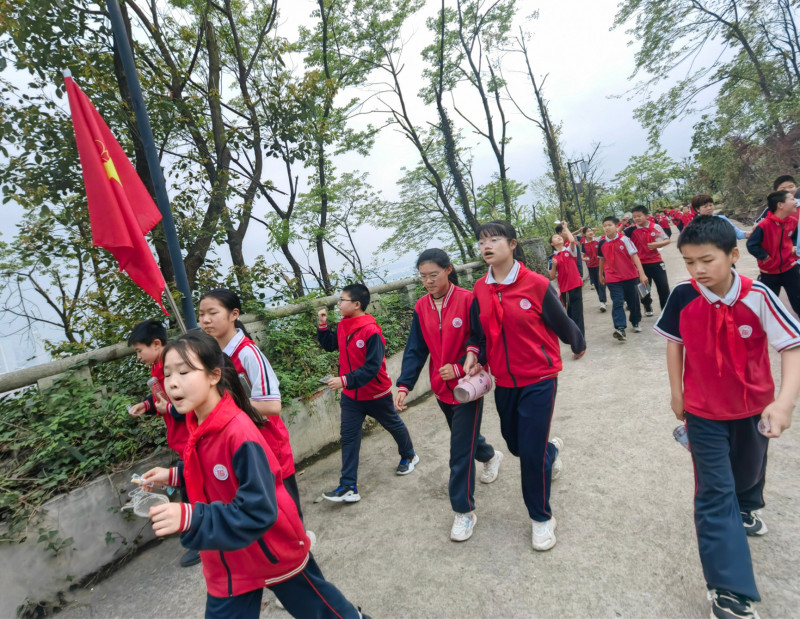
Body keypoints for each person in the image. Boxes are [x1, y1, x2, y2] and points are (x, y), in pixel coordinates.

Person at [141, 332, 366, 619]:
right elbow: (211, 470)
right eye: (168, 373)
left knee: (324, 612)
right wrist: (174, 475)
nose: (172, 382)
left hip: (271, 548)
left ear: (214, 376)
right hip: (228, 557)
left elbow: (258, 508)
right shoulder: (197, 422)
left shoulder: (239, 432)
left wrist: (190, 517)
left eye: (184, 372)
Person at [654, 215, 800, 619]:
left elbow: (792, 346)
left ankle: (749, 503)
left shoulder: (758, 295)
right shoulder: (683, 295)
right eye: (689, 262)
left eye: (706, 260)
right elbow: (674, 343)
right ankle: (728, 589)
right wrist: (677, 392)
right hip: (703, 413)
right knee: (715, 494)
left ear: (733, 255)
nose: (698, 270)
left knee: (748, 470)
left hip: (754, 407)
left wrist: (784, 402)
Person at [463, 220, 586, 552]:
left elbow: (562, 321)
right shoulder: (480, 289)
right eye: (482, 241)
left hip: (540, 378)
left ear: (512, 244)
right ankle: (552, 450)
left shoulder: (536, 284)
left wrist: (577, 343)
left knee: (529, 456)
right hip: (504, 381)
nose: (486, 245)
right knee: (517, 445)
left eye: (494, 239)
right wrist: (474, 354)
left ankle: (542, 518)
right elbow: (478, 333)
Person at [395, 249, 503, 542]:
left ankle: (463, 512)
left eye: (433, 275)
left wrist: (458, 367)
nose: (428, 281)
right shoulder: (421, 307)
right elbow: (415, 349)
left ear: (448, 270)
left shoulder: (468, 300)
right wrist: (404, 385)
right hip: (441, 390)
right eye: (423, 276)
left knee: (458, 454)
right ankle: (491, 455)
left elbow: (481, 339)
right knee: (464, 439)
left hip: (468, 387)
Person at [198, 289, 302, 519]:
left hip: (269, 446)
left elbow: (273, 405)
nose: (205, 320)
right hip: (242, 447)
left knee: (287, 516)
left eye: (212, 313)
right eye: (201, 314)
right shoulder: (212, 357)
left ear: (233, 314)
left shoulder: (248, 354)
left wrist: (225, 409)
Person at [317, 283, 418, 503]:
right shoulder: (344, 325)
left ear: (356, 304)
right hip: (351, 397)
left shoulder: (372, 331)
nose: (339, 304)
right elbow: (331, 345)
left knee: (393, 424)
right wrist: (323, 326)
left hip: (375, 394)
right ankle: (348, 486)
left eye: (342, 300)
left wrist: (344, 380)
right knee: (349, 438)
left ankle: (409, 455)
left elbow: (372, 368)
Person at [127, 320, 199, 568]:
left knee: (192, 490)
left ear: (156, 344)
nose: (138, 357)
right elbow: (161, 398)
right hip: (181, 440)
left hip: (190, 437)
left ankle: (198, 539)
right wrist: (146, 405)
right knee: (190, 487)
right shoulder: (158, 371)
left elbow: (187, 403)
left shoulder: (173, 366)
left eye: (139, 350)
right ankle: (197, 536)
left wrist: (167, 407)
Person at [746, 190, 800, 317]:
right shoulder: (764, 226)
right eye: (792, 199)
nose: (795, 202)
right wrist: (764, 256)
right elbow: (751, 244)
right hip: (769, 273)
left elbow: (795, 238)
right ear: (780, 205)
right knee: (767, 307)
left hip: (790, 269)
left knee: (798, 302)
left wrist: (793, 247)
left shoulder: (792, 222)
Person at [598, 216, 650, 341]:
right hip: (612, 277)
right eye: (605, 226)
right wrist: (600, 274)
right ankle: (620, 328)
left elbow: (635, 256)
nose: (607, 228)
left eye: (610, 225)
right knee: (617, 302)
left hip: (629, 276)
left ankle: (635, 321)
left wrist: (642, 274)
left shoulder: (625, 240)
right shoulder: (602, 242)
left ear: (617, 226)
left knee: (633, 301)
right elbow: (601, 259)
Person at [624, 205, 671, 317]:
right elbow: (617, 234)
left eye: (639, 216)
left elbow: (666, 240)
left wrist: (657, 244)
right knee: (644, 287)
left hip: (656, 262)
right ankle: (647, 305)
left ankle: (666, 310)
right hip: (641, 264)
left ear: (647, 216)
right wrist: (622, 223)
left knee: (663, 286)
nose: (637, 218)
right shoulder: (631, 230)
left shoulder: (656, 227)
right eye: (634, 217)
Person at [549, 223, 585, 334]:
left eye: (558, 236)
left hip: (576, 284)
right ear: (552, 243)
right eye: (555, 237)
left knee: (578, 312)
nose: (558, 237)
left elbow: (572, 240)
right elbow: (552, 276)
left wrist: (565, 227)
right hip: (565, 288)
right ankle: (574, 333)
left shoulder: (569, 250)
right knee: (570, 312)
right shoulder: (552, 258)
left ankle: (580, 336)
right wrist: (554, 265)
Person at [582, 227, 607, 311]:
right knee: (596, 284)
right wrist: (584, 258)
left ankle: (603, 301)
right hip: (591, 266)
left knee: (603, 283)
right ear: (584, 234)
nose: (590, 232)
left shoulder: (598, 240)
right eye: (588, 231)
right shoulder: (583, 244)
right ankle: (602, 301)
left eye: (591, 230)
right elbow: (582, 255)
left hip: (601, 265)